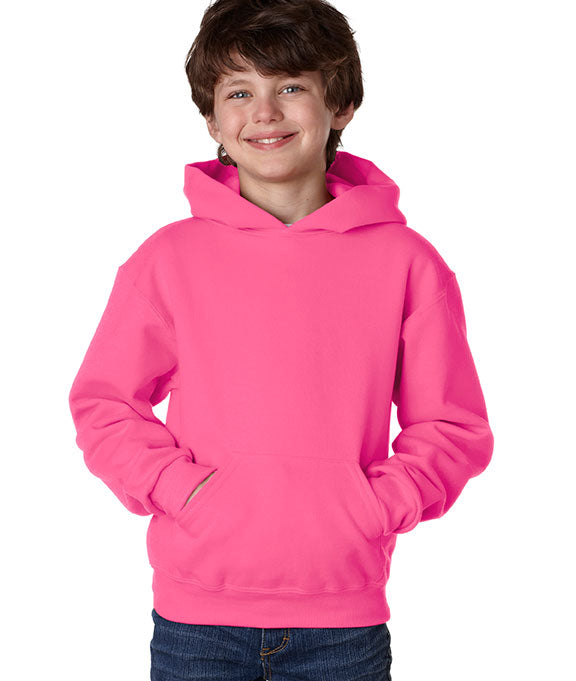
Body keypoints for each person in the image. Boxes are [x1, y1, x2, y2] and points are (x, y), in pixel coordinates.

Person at [68, 1, 494, 679]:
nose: (264, 113)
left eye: (291, 86)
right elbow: (106, 405)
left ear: (341, 105)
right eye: (239, 93)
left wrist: (372, 507)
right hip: (197, 623)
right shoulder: (168, 260)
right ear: (213, 120)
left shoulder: (407, 263)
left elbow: (451, 425)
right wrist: (181, 491)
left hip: (342, 627)